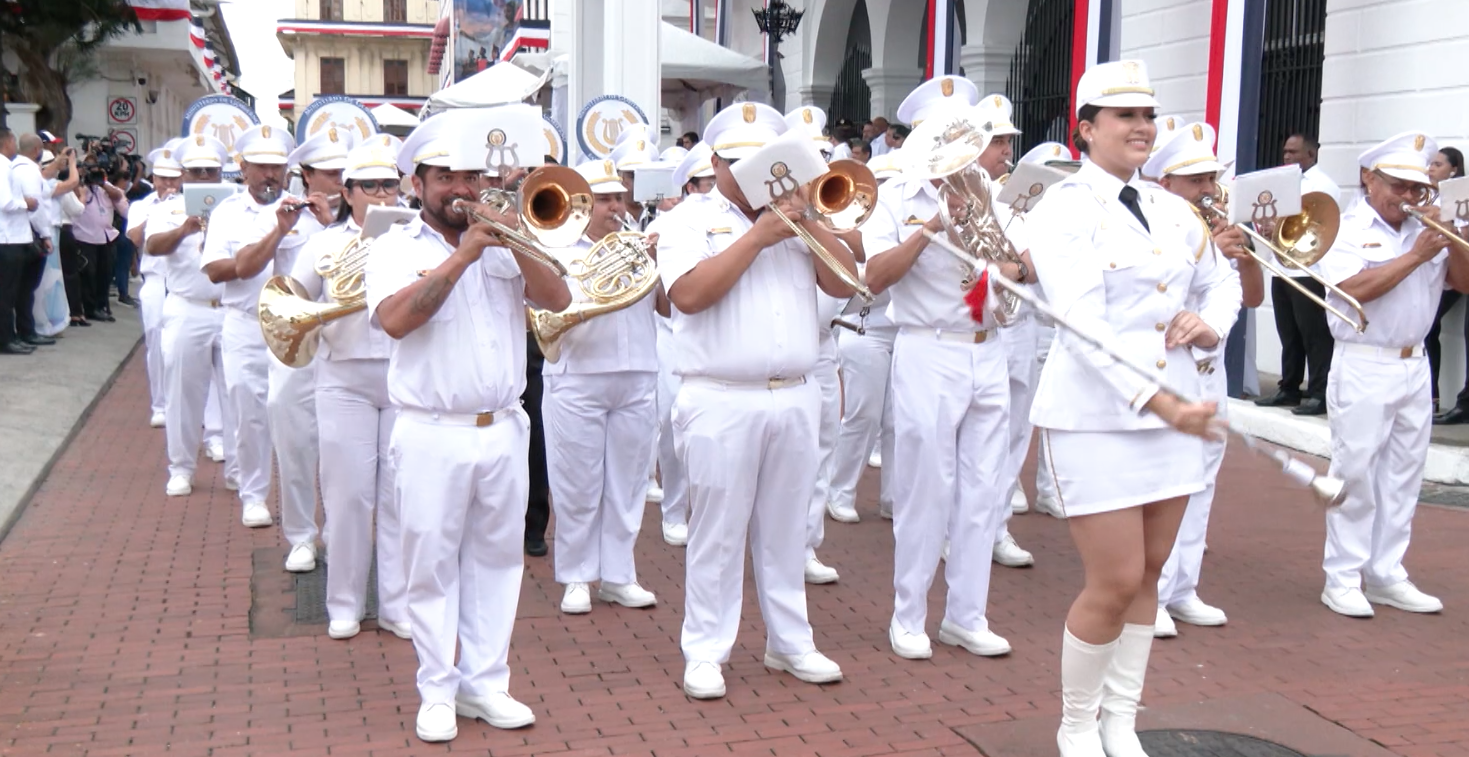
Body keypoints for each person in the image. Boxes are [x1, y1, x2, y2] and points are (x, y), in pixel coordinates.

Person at [1025, 60, 1240, 757]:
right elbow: (1081, 324)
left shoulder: (1172, 208)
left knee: (1148, 571)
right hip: (1097, 415)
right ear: (1086, 129)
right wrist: (1161, 402)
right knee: (1112, 578)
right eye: (1124, 116)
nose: (1142, 127)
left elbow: (1223, 283)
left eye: (1147, 115)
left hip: (1171, 409)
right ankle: (1076, 724)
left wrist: (1209, 323)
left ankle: (1120, 720)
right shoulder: (1063, 207)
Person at [366, 109, 570, 742]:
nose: (461, 188)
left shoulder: (504, 235)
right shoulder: (394, 245)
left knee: (498, 563)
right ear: (418, 184)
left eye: (471, 177)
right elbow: (398, 320)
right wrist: (462, 257)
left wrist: (516, 241)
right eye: (446, 177)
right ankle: (437, 687)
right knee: (429, 566)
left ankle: (487, 684)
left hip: (504, 425)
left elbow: (559, 300)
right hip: (431, 429)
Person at [659, 102, 856, 699]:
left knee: (786, 529)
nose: (752, 175)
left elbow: (846, 283)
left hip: (795, 392)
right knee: (716, 531)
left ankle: (789, 642)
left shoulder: (799, 215)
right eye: (739, 164)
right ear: (714, 164)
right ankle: (706, 650)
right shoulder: (688, 219)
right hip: (720, 395)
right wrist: (758, 236)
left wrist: (809, 223)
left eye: (765, 163)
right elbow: (688, 295)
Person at [864, 74, 1016, 663]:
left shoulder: (990, 190)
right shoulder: (896, 197)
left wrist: (996, 259)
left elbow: (1008, 276)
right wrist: (932, 228)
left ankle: (966, 615)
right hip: (929, 349)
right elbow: (874, 279)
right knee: (926, 489)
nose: (965, 150)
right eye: (950, 137)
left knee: (984, 491)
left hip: (988, 347)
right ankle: (909, 616)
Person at [1317, 131, 1467, 618]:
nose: (1409, 197)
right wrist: (1417, 256)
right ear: (1368, 178)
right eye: (1398, 185)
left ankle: (1386, 572)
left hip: (1414, 363)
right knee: (1355, 472)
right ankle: (1341, 576)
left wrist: (1456, 239)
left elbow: (1462, 283)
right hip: (1364, 361)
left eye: (1417, 188)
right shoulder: (1342, 226)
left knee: (1404, 475)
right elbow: (1352, 289)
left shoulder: (1428, 229)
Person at [1142, 122, 1262, 639]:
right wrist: (1208, 247)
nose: (1210, 190)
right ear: (1166, 184)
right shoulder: (1151, 223)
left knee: (1201, 484)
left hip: (1212, 370)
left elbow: (1247, 295)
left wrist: (1245, 253)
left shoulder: (1213, 227)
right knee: (1164, 485)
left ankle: (1183, 587)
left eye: (1211, 178)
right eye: (1197, 181)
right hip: (1170, 370)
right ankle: (1154, 594)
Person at [290, 134, 410, 641]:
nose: (383, 196)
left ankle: (397, 605)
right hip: (342, 378)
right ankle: (343, 602)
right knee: (348, 496)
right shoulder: (323, 243)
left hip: (403, 376)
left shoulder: (414, 237)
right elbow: (295, 299)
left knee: (401, 496)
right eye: (371, 187)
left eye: (390, 186)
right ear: (350, 191)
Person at [544, 157, 662, 614]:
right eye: (606, 199)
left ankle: (619, 573)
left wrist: (656, 262)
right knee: (576, 481)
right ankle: (575, 575)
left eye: (619, 197)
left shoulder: (638, 243)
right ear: (582, 205)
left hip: (637, 371)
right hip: (578, 373)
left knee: (629, 482)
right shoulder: (560, 249)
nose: (616, 206)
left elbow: (668, 308)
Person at [268, 128, 354, 571]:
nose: (339, 181)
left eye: (344, 173)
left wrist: (331, 226)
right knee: (293, 437)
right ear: (305, 175)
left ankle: (343, 533)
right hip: (294, 340)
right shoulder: (281, 213)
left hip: (345, 342)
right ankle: (301, 535)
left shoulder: (361, 215)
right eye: (330, 173)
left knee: (343, 447)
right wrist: (285, 225)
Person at [146, 136, 237, 500]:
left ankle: (238, 466)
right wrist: (184, 228)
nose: (203, 177)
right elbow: (152, 246)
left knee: (238, 394)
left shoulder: (234, 207)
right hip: (188, 307)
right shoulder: (168, 208)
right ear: (183, 175)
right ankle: (181, 467)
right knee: (182, 393)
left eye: (210, 171)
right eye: (196, 171)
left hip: (229, 308)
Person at [972, 93, 1038, 570]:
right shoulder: (963, 195)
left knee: (1014, 435)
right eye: (997, 142)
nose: (1006, 152)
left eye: (1008, 142)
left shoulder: (1018, 196)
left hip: (1020, 327)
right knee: (972, 443)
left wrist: (1015, 265)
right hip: (979, 326)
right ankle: (962, 528)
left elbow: (1033, 266)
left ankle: (996, 528)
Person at [784, 104, 844, 585]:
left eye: (822, 156)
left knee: (822, 449)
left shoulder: (832, 206)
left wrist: (817, 216)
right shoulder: (776, 210)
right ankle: (778, 543)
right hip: (787, 348)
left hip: (824, 346)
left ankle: (806, 544)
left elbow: (853, 263)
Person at [646, 144, 715, 547]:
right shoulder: (670, 225)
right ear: (692, 187)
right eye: (707, 185)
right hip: (671, 334)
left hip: (715, 337)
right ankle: (674, 511)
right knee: (672, 425)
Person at [1255, 133, 1338, 416]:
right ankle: (1288, 387)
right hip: (1282, 268)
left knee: (1314, 335)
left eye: (1293, 152)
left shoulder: (1322, 185)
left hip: (1308, 270)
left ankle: (1318, 392)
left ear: (1311, 155)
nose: (1287, 156)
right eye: (1285, 151)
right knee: (1288, 334)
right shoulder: (1283, 182)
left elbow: (1322, 225)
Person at [128, 139, 186, 427]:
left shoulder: (190, 203)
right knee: (155, 340)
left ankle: (185, 403)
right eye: (163, 178)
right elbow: (135, 239)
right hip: (154, 279)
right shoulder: (142, 205)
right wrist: (157, 213)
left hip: (183, 280)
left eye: (174, 178)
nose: (169, 184)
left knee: (185, 345)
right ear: (153, 178)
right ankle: (159, 404)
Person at [1423, 146, 1468, 421]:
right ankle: (1431, 397)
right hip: (1432, 272)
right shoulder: (1428, 194)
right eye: (1431, 163)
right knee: (1426, 328)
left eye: (1438, 164)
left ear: (1454, 169)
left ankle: (1434, 398)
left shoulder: (1459, 194)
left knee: (1426, 325)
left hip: (1453, 274)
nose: (1430, 168)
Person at [10, 133, 55, 349]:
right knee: (26, 287)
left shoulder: (14, 168)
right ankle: (26, 330)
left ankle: (24, 330)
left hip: (21, 233)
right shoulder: (28, 171)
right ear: (37, 150)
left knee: (21, 288)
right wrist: (45, 235)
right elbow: (35, 207)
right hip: (30, 234)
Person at [0, 128, 40, 354]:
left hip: (12, 237)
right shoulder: (3, 166)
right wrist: (27, 203)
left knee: (10, 292)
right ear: (8, 141)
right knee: (7, 294)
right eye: (13, 139)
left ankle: (10, 336)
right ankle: (6, 339)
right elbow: (6, 202)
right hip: (8, 239)